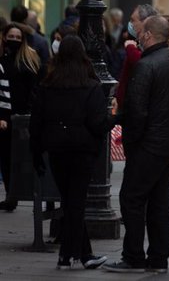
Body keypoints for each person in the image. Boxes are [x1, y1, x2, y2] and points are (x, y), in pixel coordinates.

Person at [103, 16, 169, 273]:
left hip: (148, 144)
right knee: (160, 201)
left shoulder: (146, 65)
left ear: (149, 34)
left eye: (140, 31)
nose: (136, 35)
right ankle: (159, 258)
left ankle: (133, 256)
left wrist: (130, 138)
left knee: (131, 198)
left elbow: (137, 110)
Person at [29, 35, 109, 270]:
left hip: (57, 150)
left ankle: (84, 255)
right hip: (82, 151)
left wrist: (36, 152)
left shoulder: (48, 85)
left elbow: (37, 122)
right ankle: (67, 256)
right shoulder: (91, 85)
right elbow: (97, 123)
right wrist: (112, 120)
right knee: (76, 202)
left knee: (71, 201)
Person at [0, 23, 41, 211]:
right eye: (11, 36)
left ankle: (25, 193)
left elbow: (34, 89)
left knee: (23, 158)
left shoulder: (28, 60)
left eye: (18, 37)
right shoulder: (4, 60)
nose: (14, 40)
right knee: (6, 157)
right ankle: (11, 194)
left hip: (23, 116)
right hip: (6, 116)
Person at [114, 4, 159, 110]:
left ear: (145, 22)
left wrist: (130, 49)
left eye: (133, 20)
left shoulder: (149, 44)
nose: (130, 24)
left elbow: (142, 65)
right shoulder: (138, 43)